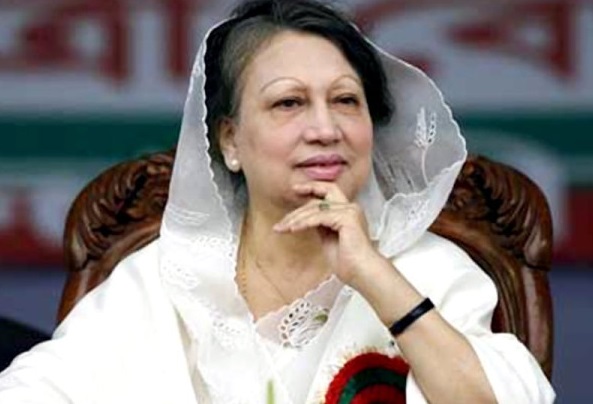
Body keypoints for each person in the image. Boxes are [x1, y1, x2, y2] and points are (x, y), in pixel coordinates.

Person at [0, 0, 555, 402]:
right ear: (230, 141)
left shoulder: (429, 270)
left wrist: (374, 276)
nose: (325, 129)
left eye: (346, 100)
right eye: (289, 103)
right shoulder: (165, 277)